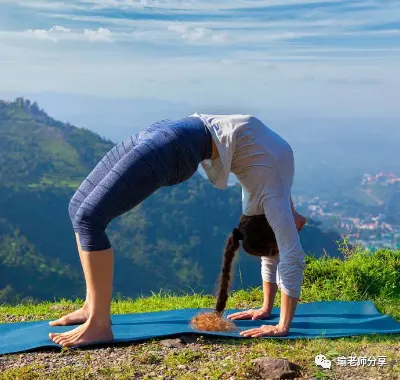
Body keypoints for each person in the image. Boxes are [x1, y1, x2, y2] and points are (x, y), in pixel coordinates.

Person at [49, 114, 307, 347]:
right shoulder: (273, 198)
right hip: (170, 139)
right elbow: (290, 255)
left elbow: (278, 249)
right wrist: (279, 323)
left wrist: (268, 309)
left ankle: (98, 323)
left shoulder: (275, 190)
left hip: (175, 137)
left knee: (88, 217)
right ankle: (91, 309)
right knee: (78, 209)